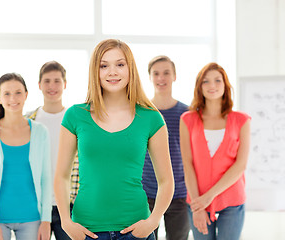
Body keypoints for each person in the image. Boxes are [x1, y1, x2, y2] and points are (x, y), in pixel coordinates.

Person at [54, 39, 175, 240]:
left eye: (120, 64)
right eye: (104, 65)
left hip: (136, 230)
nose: (112, 72)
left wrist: (153, 221)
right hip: (86, 231)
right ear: (95, 71)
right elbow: (61, 176)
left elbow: (166, 180)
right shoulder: (75, 116)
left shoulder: (151, 118)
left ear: (130, 70)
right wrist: (66, 222)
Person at [0, 73, 52, 240]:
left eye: (18, 92)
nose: (13, 98)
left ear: (26, 95)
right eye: (7, 94)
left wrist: (46, 220)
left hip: (32, 219)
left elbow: (46, 178)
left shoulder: (40, 132)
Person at [179, 63, 251, 240]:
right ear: (199, 87)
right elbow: (187, 164)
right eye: (206, 81)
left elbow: (240, 165)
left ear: (225, 85)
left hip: (232, 199)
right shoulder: (188, 119)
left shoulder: (241, 120)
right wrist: (198, 205)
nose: (212, 86)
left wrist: (208, 197)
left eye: (217, 80)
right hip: (197, 200)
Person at [25, 61, 78, 239]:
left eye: (57, 81)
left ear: (65, 84)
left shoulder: (76, 120)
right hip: (35, 205)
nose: (52, 86)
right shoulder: (28, 121)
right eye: (47, 81)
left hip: (71, 204)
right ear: (39, 85)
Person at [142, 55, 189, 240]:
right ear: (150, 77)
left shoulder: (187, 113)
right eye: (156, 73)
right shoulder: (142, 111)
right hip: (146, 193)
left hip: (179, 195)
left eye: (166, 73)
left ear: (174, 76)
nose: (161, 78)